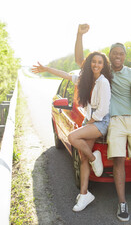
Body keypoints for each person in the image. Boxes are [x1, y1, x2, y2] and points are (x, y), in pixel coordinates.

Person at [75, 24, 131, 222]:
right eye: (114, 53)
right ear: (109, 56)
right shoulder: (104, 72)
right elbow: (80, 60)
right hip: (114, 121)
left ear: (125, 56)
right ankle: (122, 202)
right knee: (119, 160)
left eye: (121, 53)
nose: (118, 56)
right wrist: (79, 35)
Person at [32, 51, 112, 212]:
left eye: (100, 62)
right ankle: (84, 194)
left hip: (100, 121)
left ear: (104, 66)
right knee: (83, 159)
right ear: (90, 63)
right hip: (89, 120)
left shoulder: (104, 82)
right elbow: (66, 75)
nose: (96, 65)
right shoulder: (86, 80)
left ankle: (94, 158)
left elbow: (102, 110)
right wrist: (46, 68)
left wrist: (88, 122)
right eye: (94, 62)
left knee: (72, 136)